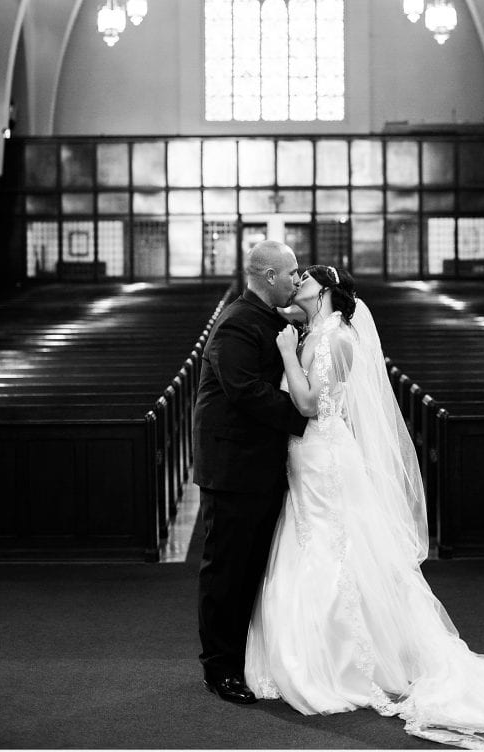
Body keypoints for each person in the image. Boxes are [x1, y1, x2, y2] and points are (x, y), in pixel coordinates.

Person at [245, 265, 484, 749]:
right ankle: (314, 649)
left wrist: (284, 356)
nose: (296, 284)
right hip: (310, 456)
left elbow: (311, 405)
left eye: (304, 280)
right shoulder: (313, 331)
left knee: (332, 547)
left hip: (324, 456)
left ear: (325, 290)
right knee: (310, 541)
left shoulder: (334, 339)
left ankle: (343, 661)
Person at [193, 241, 307, 705]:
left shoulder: (268, 317)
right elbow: (245, 390)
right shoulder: (238, 322)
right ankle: (219, 669)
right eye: (291, 273)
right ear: (268, 276)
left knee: (251, 569)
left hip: (257, 465)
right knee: (227, 572)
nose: (297, 280)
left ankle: (243, 660)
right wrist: (309, 415)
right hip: (233, 468)